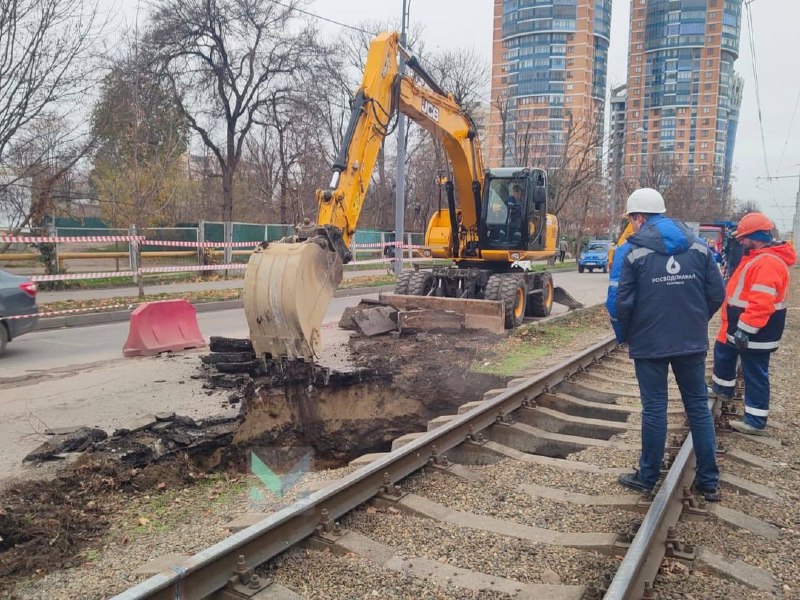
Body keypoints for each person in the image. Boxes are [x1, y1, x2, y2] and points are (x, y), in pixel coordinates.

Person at [606, 188, 726, 501]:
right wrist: (698, 320)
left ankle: (646, 477)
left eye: (631, 220)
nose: (631, 226)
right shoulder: (699, 247)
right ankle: (709, 481)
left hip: (649, 344)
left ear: (640, 217)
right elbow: (717, 294)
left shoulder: (631, 251)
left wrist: (626, 335)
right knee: (698, 407)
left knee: (655, 409)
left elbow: (619, 304)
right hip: (691, 341)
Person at [710, 212, 796, 435]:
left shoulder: (767, 263)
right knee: (723, 352)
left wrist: (746, 329)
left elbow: (761, 302)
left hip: (755, 332)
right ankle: (722, 390)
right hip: (742, 328)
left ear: (755, 237)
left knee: (755, 373)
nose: (739, 242)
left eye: (743, 238)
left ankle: (755, 421)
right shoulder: (758, 258)